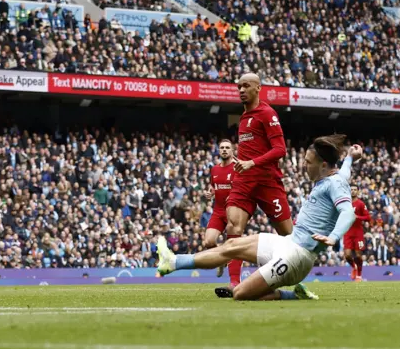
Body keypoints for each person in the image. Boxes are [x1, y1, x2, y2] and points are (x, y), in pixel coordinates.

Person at [156, 136, 363, 301]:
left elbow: (348, 212)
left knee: (240, 294)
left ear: (324, 165)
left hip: (297, 257)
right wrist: (351, 157)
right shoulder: (334, 176)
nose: (304, 166)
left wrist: (334, 236)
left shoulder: (334, 184)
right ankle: (173, 261)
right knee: (231, 244)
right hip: (288, 242)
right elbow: (343, 170)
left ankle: (292, 295)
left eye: (308, 163)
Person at [217, 73, 292, 297]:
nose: (240, 90)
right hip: (243, 181)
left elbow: (280, 150)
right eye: (238, 86)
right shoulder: (243, 116)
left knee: (289, 237)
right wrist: (245, 165)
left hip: (267, 181)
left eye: (246, 86)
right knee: (233, 227)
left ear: (258, 88)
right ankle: (234, 283)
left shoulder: (267, 114)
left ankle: (289, 277)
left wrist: (252, 163)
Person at [203, 139, 235, 277]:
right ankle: (221, 261)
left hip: (233, 212)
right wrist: (210, 193)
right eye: (222, 147)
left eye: (227, 147)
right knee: (208, 242)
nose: (224, 150)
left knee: (233, 244)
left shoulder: (237, 167)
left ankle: (234, 278)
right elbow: (213, 186)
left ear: (232, 150)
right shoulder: (214, 169)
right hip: (218, 211)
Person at [344, 184, 370, 281]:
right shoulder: (345, 203)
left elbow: (368, 217)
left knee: (358, 255)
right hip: (347, 232)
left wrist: (358, 217)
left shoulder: (361, 204)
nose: (353, 191)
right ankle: (354, 266)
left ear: (358, 191)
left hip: (358, 233)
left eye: (355, 189)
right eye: (351, 189)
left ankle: (359, 275)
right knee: (347, 255)